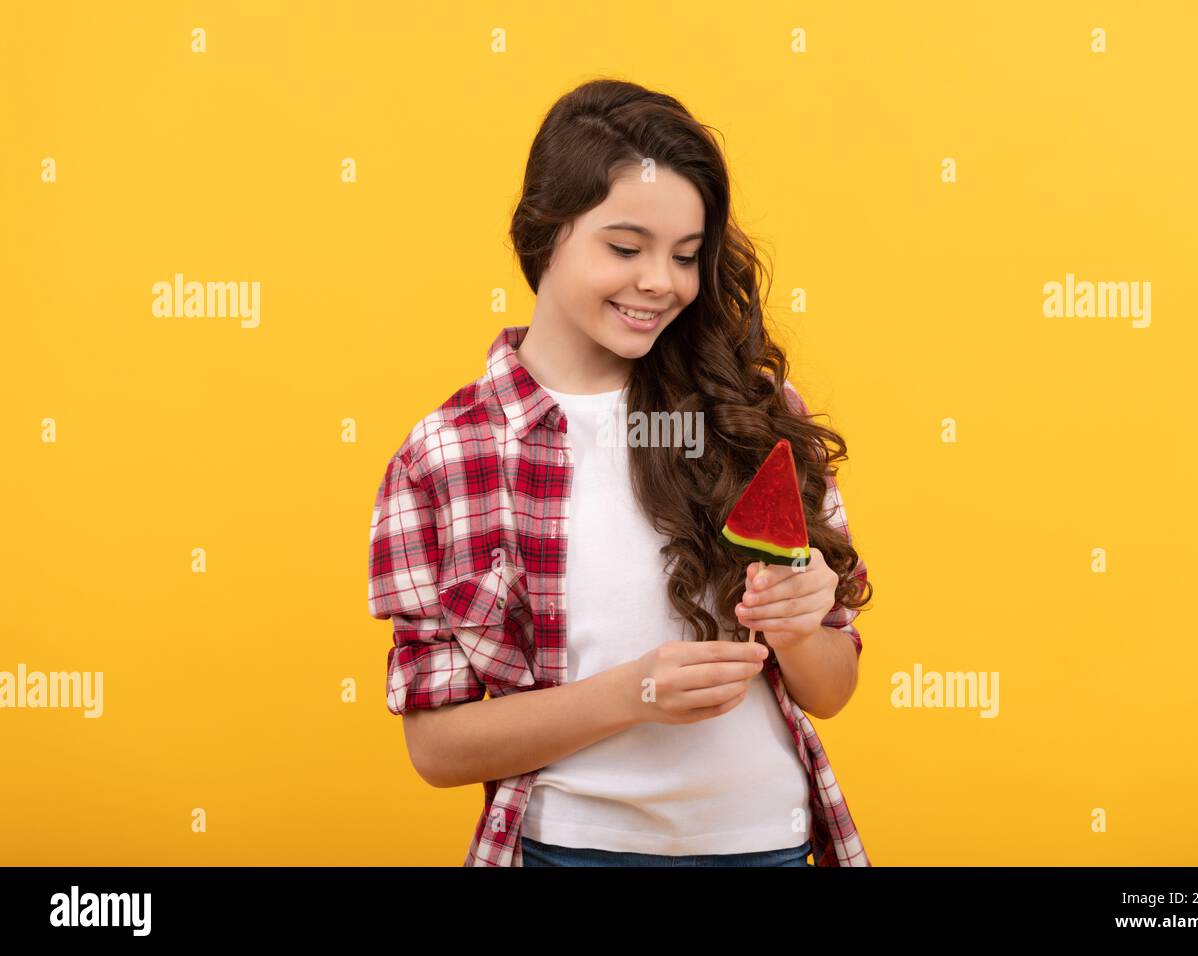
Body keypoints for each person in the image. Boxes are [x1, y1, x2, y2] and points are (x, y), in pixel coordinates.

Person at [367, 78, 874, 867]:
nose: (661, 283)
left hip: (768, 845)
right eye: (626, 248)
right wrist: (633, 694)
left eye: (685, 256)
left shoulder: (753, 415)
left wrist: (803, 625)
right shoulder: (446, 456)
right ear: (544, 232)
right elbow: (435, 745)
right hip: (571, 852)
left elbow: (831, 691)